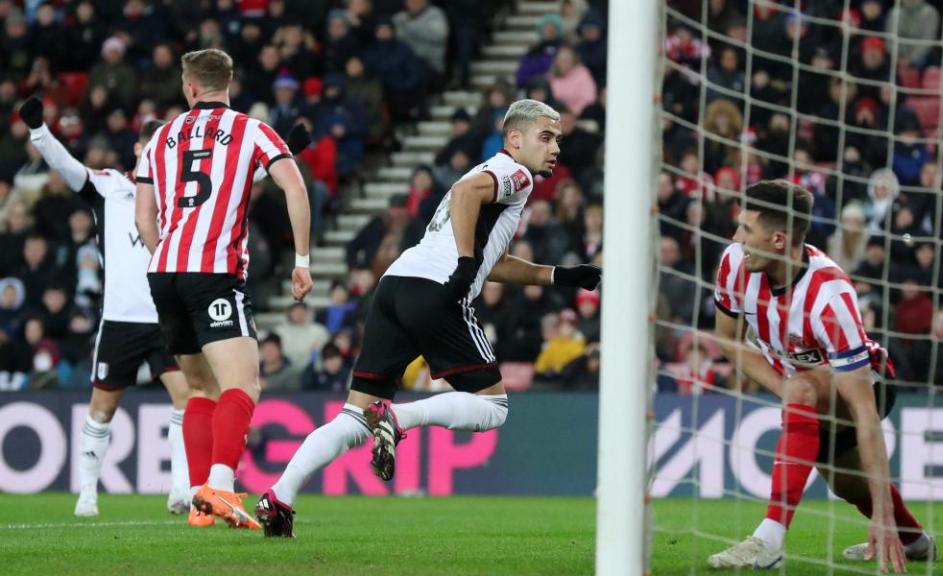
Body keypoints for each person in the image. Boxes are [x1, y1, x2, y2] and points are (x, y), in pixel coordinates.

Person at [255, 99, 602, 537]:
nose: (555, 148)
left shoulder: (487, 174)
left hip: (396, 284)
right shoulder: (515, 174)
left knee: (352, 416)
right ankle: (399, 419)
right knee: (493, 407)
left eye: (558, 140)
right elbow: (465, 205)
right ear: (515, 139)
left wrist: (558, 276)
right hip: (436, 289)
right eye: (546, 137)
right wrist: (461, 264)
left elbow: (489, 259)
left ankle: (279, 497)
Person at [708, 181, 934, 571]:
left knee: (805, 386)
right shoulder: (734, 264)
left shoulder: (830, 297)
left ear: (778, 240)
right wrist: (785, 388)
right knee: (845, 483)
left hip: (867, 383)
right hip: (801, 383)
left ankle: (769, 539)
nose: (736, 238)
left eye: (747, 230)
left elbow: (864, 414)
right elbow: (729, 341)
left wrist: (880, 514)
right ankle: (916, 540)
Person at [134, 49, 314, 530]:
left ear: (189, 86)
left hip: (165, 271)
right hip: (214, 271)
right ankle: (218, 486)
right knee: (243, 385)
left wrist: (164, 256)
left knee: (199, 387)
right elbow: (294, 187)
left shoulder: (160, 137)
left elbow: (142, 218)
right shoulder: (252, 130)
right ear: (228, 82)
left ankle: (200, 502)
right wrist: (302, 260)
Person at [17, 96, 192, 519]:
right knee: (102, 409)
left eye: (164, 147)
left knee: (188, 399)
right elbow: (67, 167)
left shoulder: (187, 198)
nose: (155, 153)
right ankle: (88, 492)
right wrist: (40, 131)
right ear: (137, 149)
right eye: (149, 146)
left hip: (168, 317)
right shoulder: (110, 187)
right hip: (121, 320)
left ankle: (182, 488)